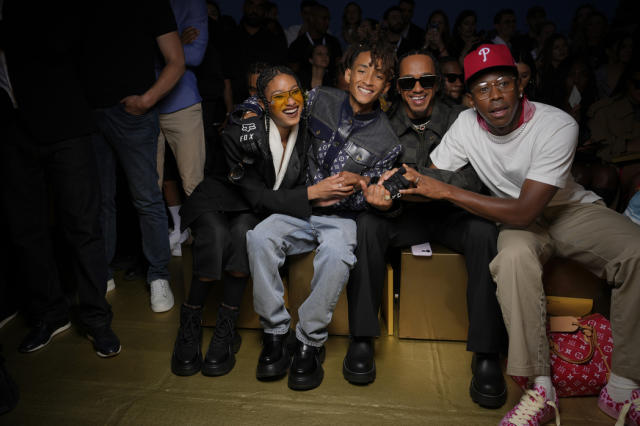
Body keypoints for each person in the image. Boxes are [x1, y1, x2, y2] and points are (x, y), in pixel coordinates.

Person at [399, 43, 640, 426]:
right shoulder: (464, 125)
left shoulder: (557, 124)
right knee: (511, 258)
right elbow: (433, 174)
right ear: (470, 98)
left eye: (503, 83)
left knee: (636, 250)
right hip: (513, 223)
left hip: (566, 209)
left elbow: (527, 207)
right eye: (482, 88)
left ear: (520, 86)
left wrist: (445, 190)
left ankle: (624, 388)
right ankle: (539, 389)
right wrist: (390, 182)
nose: (494, 96)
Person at [344, 49, 508, 410]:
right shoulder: (381, 122)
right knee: (367, 225)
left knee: (485, 233)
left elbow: (476, 177)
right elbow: (374, 174)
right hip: (405, 215)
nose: (418, 88)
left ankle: (485, 353)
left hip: (453, 212)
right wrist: (382, 194)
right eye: (408, 82)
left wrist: (428, 182)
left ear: (437, 83)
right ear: (398, 88)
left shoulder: (464, 119)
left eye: (426, 80)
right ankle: (362, 336)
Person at [247, 38, 402, 391]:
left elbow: (378, 197)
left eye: (378, 76)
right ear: (347, 74)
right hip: (301, 207)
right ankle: (274, 333)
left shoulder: (388, 141)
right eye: (361, 70)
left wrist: (361, 184)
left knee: (336, 254)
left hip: (342, 218)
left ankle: (309, 342)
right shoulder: (318, 99)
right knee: (258, 237)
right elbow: (281, 121)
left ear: (386, 86)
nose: (368, 80)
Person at [172, 66, 345, 377]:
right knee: (213, 235)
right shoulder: (242, 130)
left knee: (244, 237)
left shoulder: (304, 130)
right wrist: (312, 193)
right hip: (221, 199)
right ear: (263, 104)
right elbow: (256, 194)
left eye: (295, 93)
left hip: (253, 208)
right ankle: (190, 325)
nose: (290, 101)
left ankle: (225, 332)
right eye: (278, 96)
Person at [0, 0, 120, 357]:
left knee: (83, 226)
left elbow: (63, 40)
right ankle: (50, 314)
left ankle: (97, 318)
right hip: (9, 128)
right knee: (25, 231)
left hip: (64, 122)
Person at [85, 0, 185, 313]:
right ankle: (102, 273)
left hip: (133, 113)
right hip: (88, 114)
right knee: (99, 200)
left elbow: (176, 60)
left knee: (146, 198)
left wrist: (146, 100)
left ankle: (158, 275)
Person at [156, 0, 209, 257]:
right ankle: (156, 257)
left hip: (183, 102)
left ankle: (207, 250)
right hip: (145, 107)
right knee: (148, 187)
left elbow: (196, 54)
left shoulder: (193, 3)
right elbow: (128, 56)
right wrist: (175, 43)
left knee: (194, 184)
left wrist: (156, 46)